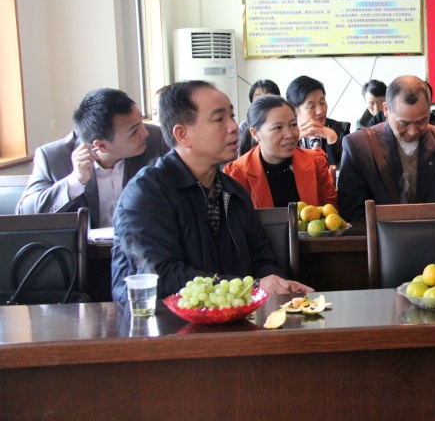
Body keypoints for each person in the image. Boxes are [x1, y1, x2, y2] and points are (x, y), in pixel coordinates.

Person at [111, 80, 312, 303]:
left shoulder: (233, 192)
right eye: (219, 119)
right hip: (164, 321)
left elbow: (263, 260)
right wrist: (251, 287)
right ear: (182, 135)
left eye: (232, 116)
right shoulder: (146, 193)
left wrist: (277, 284)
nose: (233, 126)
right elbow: (161, 276)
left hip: (233, 316)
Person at [17, 88, 168, 227]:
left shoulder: (159, 140)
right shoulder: (53, 158)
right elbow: (25, 213)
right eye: (134, 132)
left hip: (143, 243)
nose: (145, 133)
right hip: (83, 247)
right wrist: (74, 182)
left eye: (141, 122)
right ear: (101, 145)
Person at [338, 75, 435, 221]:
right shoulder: (359, 147)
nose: (413, 131)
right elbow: (353, 215)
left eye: (421, 121)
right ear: (386, 110)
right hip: (381, 234)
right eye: (403, 123)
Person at [224, 95, 337, 209]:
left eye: (293, 125)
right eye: (278, 128)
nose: (289, 134)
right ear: (255, 133)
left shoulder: (315, 161)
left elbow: (332, 213)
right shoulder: (238, 173)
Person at [286, 76, 350, 166]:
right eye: (311, 106)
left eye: (322, 102)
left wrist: (332, 139)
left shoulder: (342, 130)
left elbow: (344, 171)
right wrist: (292, 143)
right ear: (295, 110)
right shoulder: (287, 135)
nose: (320, 111)